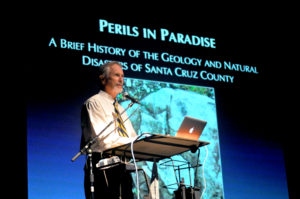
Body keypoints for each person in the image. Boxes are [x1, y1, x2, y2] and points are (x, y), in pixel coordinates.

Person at [80, 61, 137, 199]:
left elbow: (132, 136)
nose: (121, 80)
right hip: (103, 166)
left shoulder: (121, 108)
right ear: (103, 78)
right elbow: (104, 139)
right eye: (117, 75)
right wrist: (132, 142)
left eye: (122, 76)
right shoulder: (94, 103)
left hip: (122, 167)